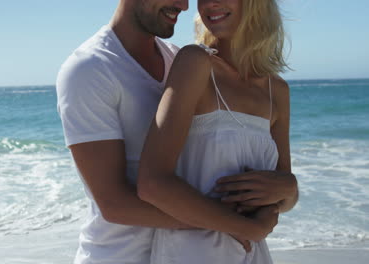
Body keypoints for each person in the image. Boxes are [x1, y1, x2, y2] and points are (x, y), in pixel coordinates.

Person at [137, 0, 299, 263]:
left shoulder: (277, 91)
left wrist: (290, 189)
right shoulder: (195, 62)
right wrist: (248, 228)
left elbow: (282, 194)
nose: (211, 3)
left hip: (252, 255)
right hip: (192, 253)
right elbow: (152, 184)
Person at [57, 1, 190, 263]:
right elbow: (115, 205)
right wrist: (226, 221)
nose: (184, 5)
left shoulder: (180, 61)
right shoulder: (90, 68)